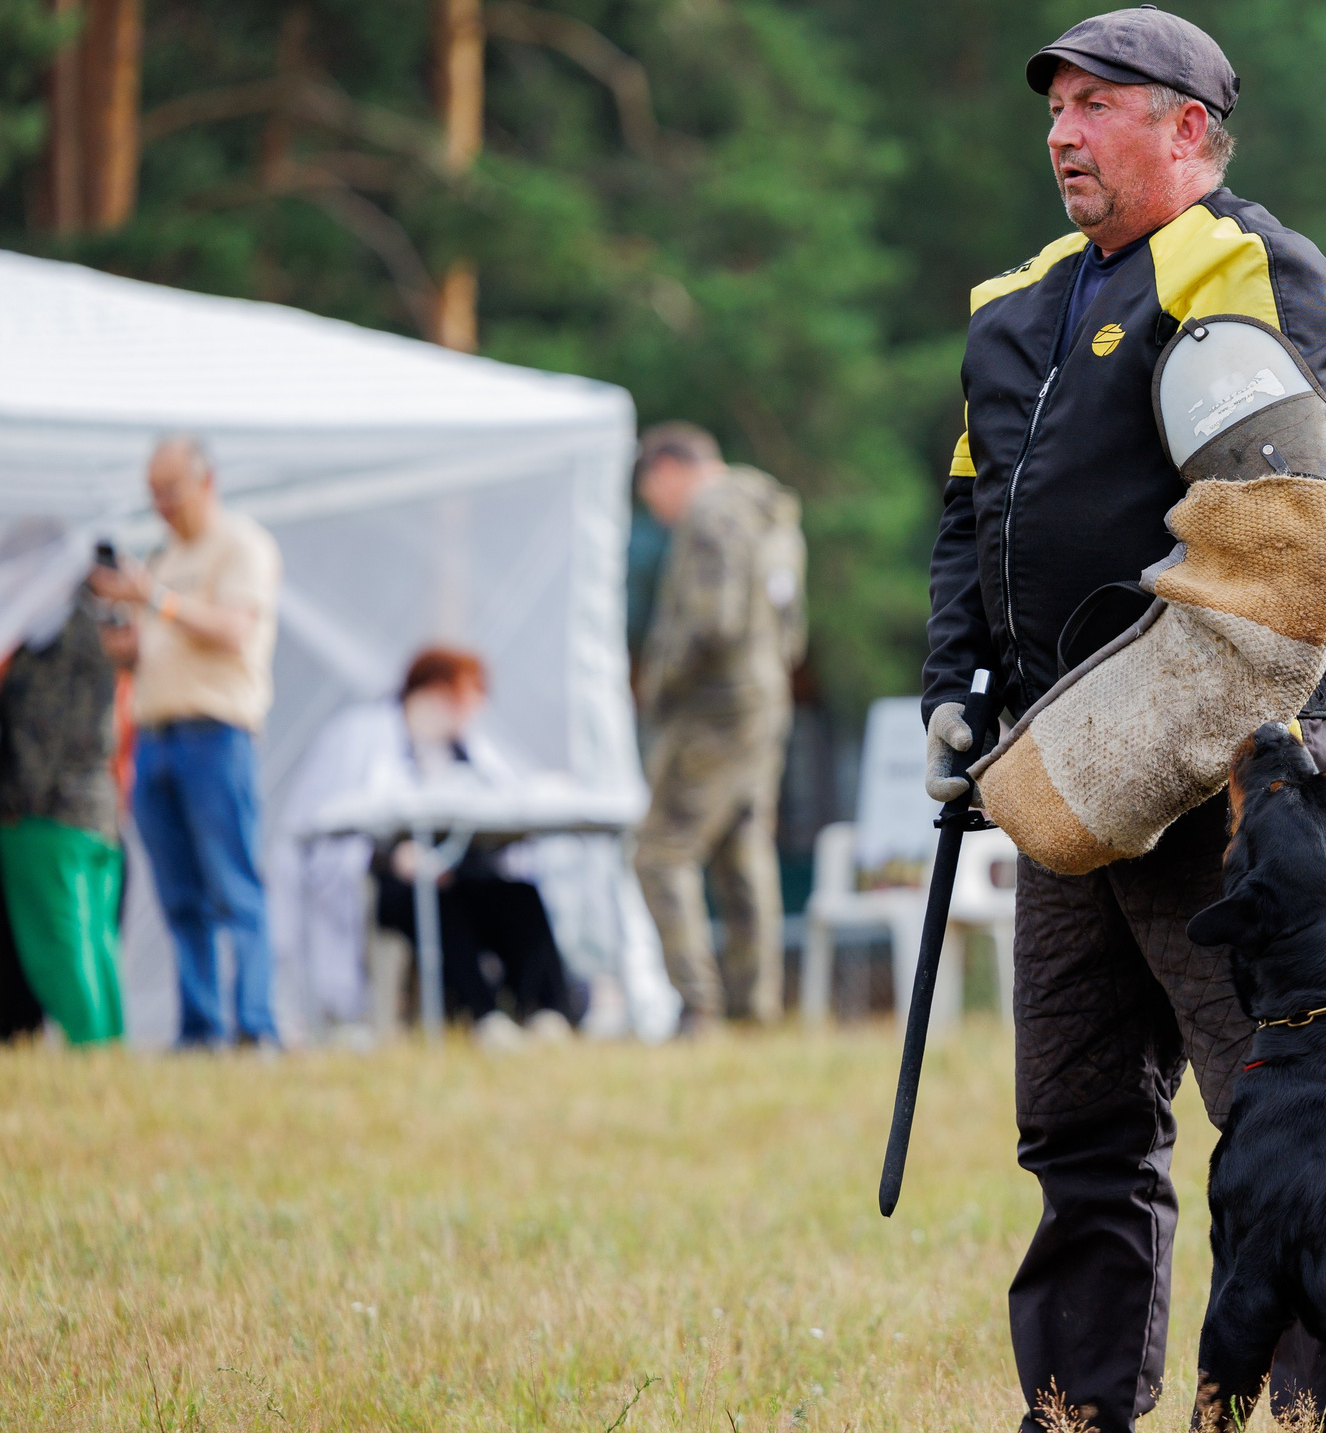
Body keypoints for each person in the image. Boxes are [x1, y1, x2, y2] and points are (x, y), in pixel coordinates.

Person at [922, 4, 1326, 1433]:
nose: (1063, 130)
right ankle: (1079, 1432)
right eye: (1055, 104)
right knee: (1079, 1129)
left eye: (1101, 103)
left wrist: (1171, 736)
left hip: (1228, 783)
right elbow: (968, 520)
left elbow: (1291, 530)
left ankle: (1324, 1426)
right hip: (1060, 783)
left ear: (1190, 129)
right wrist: (952, 685)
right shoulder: (1016, 305)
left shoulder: (1250, 270)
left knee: (1281, 1110)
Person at [89, 436, 283, 1049]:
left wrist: (154, 599)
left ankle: (256, 1026)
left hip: (215, 734)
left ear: (206, 481)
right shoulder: (165, 557)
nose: (162, 505)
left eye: (170, 490)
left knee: (233, 885)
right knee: (179, 895)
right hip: (156, 736)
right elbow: (160, 644)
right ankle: (200, 1029)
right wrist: (127, 646)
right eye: (154, 494)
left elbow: (232, 629)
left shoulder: (240, 545)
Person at [282, 647, 579, 1044]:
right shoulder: (363, 736)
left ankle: (546, 1012)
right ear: (437, 691)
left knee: (519, 896)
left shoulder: (469, 750)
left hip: (460, 872)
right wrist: (391, 856)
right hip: (393, 880)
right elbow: (331, 823)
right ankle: (484, 1016)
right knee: (438, 903)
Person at [631, 424, 805, 1033]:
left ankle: (696, 1003)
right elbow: (792, 625)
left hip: (714, 707)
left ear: (668, 470)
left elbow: (712, 622)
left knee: (659, 851)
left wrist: (660, 685)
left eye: (650, 491)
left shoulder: (709, 516)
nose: (655, 508)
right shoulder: (770, 512)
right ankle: (752, 1006)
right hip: (766, 698)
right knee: (741, 847)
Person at [0, 578, 125, 1046]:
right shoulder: (93, 628)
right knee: (94, 943)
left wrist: (16, 804)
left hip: (49, 818)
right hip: (94, 812)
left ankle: (92, 1056)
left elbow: (42, 733)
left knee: (62, 949)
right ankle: (109, 1052)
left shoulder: (57, 641)